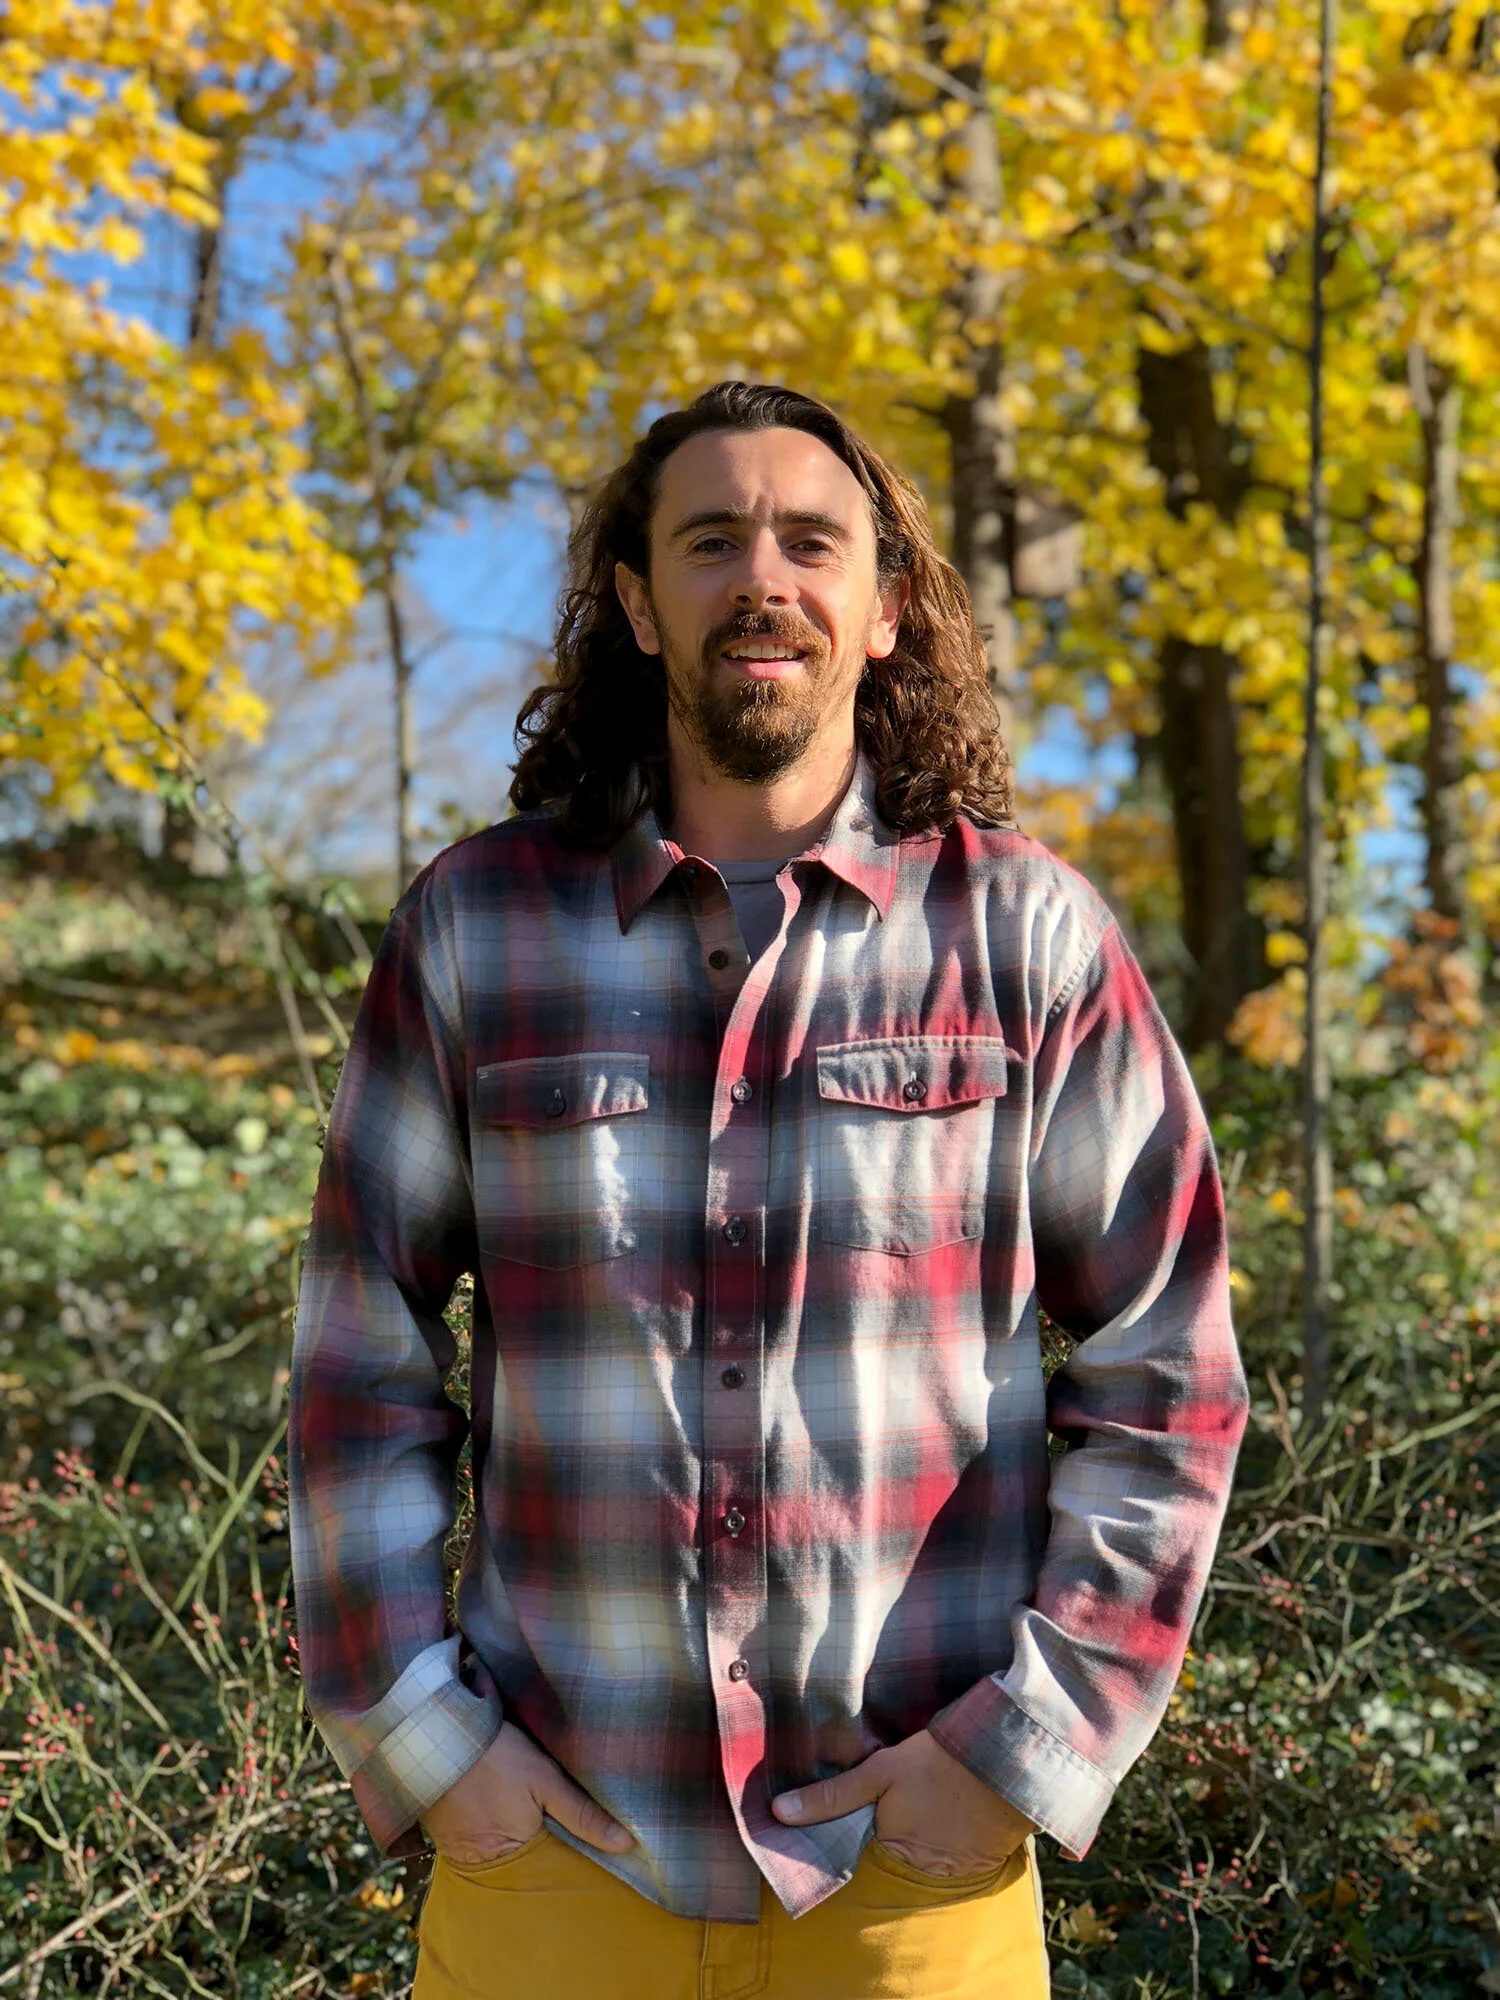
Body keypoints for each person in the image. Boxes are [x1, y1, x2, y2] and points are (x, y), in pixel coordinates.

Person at [287, 381, 1249, 2000]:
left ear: (885, 608)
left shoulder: (1030, 937)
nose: (763, 579)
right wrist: (429, 1742)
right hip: (555, 1858)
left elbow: (1173, 1367)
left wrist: (1023, 1750)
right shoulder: (476, 929)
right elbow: (355, 1367)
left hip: (910, 1877)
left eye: (812, 541)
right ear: (637, 606)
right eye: (711, 541)